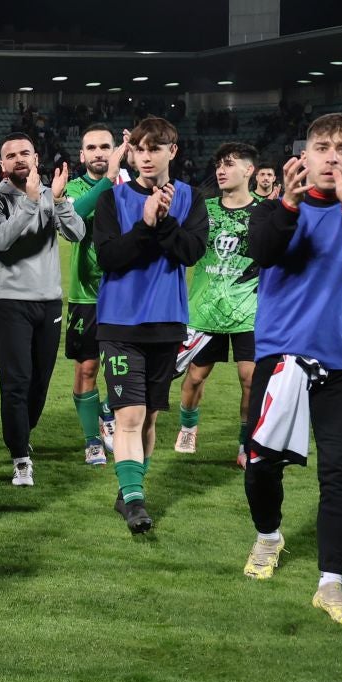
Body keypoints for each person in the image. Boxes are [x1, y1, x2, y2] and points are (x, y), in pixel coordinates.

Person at [240, 116, 342, 625]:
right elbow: (263, 251)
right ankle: (269, 536)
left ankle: (331, 583)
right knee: (261, 465)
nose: (332, 156)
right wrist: (288, 202)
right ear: (303, 157)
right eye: (322, 147)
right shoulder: (273, 211)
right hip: (281, 360)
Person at [89, 116, 208, 534]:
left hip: (167, 323)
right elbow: (109, 257)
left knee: (151, 418)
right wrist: (145, 224)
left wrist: (165, 221)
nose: (145, 156)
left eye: (155, 148)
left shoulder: (191, 198)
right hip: (120, 323)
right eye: (139, 149)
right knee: (130, 415)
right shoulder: (112, 199)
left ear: (172, 152)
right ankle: (136, 502)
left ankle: (128, 490)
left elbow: (191, 252)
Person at [0, 133, 84, 486]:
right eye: (10, 155)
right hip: (8, 302)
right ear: (3, 165)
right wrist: (28, 201)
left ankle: (22, 434)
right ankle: (20, 457)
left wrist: (57, 201)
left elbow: (77, 233)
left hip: (49, 301)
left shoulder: (50, 196)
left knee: (39, 383)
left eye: (24, 152)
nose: (18, 159)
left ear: (36, 158)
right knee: (16, 382)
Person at [174, 142, 261, 463]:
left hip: (248, 311)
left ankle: (245, 442)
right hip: (204, 310)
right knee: (195, 377)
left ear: (248, 170)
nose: (220, 170)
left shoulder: (264, 212)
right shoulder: (203, 209)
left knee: (251, 379)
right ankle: (187, 426)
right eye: (218, 165)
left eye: (229, 164)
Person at [63, 126, 121, 467]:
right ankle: (91, 440)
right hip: (86, 296)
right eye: (92, 148)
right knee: (87, 369)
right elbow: (73, 220)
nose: (99, 153)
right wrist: (108, 179)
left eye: (105, 147)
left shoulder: (130, 186)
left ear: (115, 150)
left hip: (123, 295)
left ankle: (107, 414)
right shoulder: (73, 188)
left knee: (121, 370)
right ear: (82, 155)